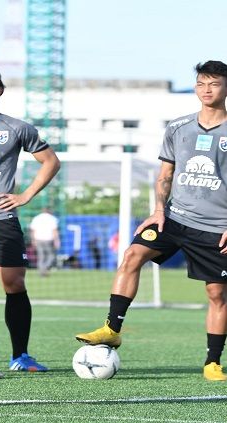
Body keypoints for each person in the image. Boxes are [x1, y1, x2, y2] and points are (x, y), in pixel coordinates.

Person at [76, 60, 227, 381]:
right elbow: (165, 175)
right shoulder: (178, 127)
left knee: (217, 294)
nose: (206, 90)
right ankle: (111, 328)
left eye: (213, 84)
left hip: (216, 227)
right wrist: (159, 210)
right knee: (132, 255)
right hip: (173, 218)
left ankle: (212, 362)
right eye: (201, 83)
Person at [0, 62, 61, 374]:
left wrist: (25, 195)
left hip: (2, 217)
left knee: (14, 282)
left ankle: (21, 354)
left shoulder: (16, 128)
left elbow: (50, 162)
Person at [29, 207, 60, 277]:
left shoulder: (36, 218)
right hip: (48, 239)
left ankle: (41, 271)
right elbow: (54, 230)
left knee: (41, 256)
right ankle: (45, 268)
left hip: (38, 239)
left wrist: (33, 240)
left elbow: (32, 230)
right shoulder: (52, 218)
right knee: (51, 256)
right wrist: (57, 240)